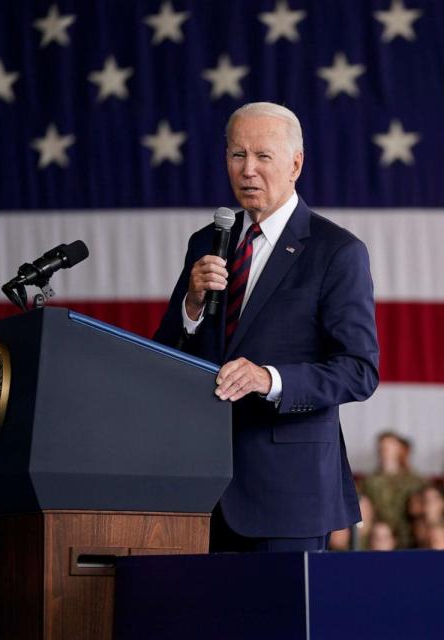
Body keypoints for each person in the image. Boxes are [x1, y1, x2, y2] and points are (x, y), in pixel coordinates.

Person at [154, 102, 379, 551]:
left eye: (263, 156)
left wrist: (269, 379)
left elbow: (359, 371)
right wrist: (191, 306)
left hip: (287, 497)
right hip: (199, 490)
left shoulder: (336, 252)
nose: (248, 170)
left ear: (296, 163)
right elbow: (167, 353)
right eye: (237, 155)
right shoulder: (207, 242)